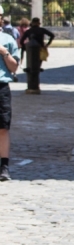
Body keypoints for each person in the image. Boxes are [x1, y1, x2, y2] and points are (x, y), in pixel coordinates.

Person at [0, 29, 20, 181]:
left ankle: (4, 167)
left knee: (3, 128)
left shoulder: (7, 39)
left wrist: (4, 52)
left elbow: (14, 68)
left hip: (1, 87)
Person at [19, 18, 54, 95]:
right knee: (37, 67)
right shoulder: (41, 30)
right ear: (38, 23)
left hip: (31, 51)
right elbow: (52, 35)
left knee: (31, 67)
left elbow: (21, 41)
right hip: (40, 49)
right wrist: (47, 45)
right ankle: (35, 83)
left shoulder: (29, 31)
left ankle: (32, 83)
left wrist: (25, 48)